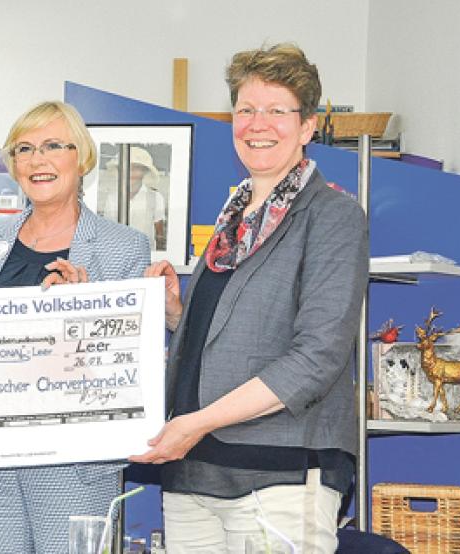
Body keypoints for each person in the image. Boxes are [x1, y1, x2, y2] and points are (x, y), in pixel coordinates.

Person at [130, 44, 368, 553]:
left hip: (279, 471)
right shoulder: (234, 215)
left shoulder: (333, 217)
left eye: (277, 111)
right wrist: (178, 313)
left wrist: (197, 422)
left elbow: (316, 358)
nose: (258, 123)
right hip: (193, 471)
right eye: (245, 110)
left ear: (307, 127)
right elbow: (235, 335)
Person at [0, 101, 151, 553]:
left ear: (81, 156)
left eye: (53, 145)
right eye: (24, 149)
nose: (37, 160)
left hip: (73, 464)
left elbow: (129, 366)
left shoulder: (123, 247)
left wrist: (85, 311)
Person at [94, 145, 168, 249]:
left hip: (147, 256)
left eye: (136, 168)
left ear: (145, 171)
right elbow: (107, 232)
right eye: (127, 168)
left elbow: (160, 234)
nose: (131, 173)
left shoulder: (156, 197)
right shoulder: (112, 198)